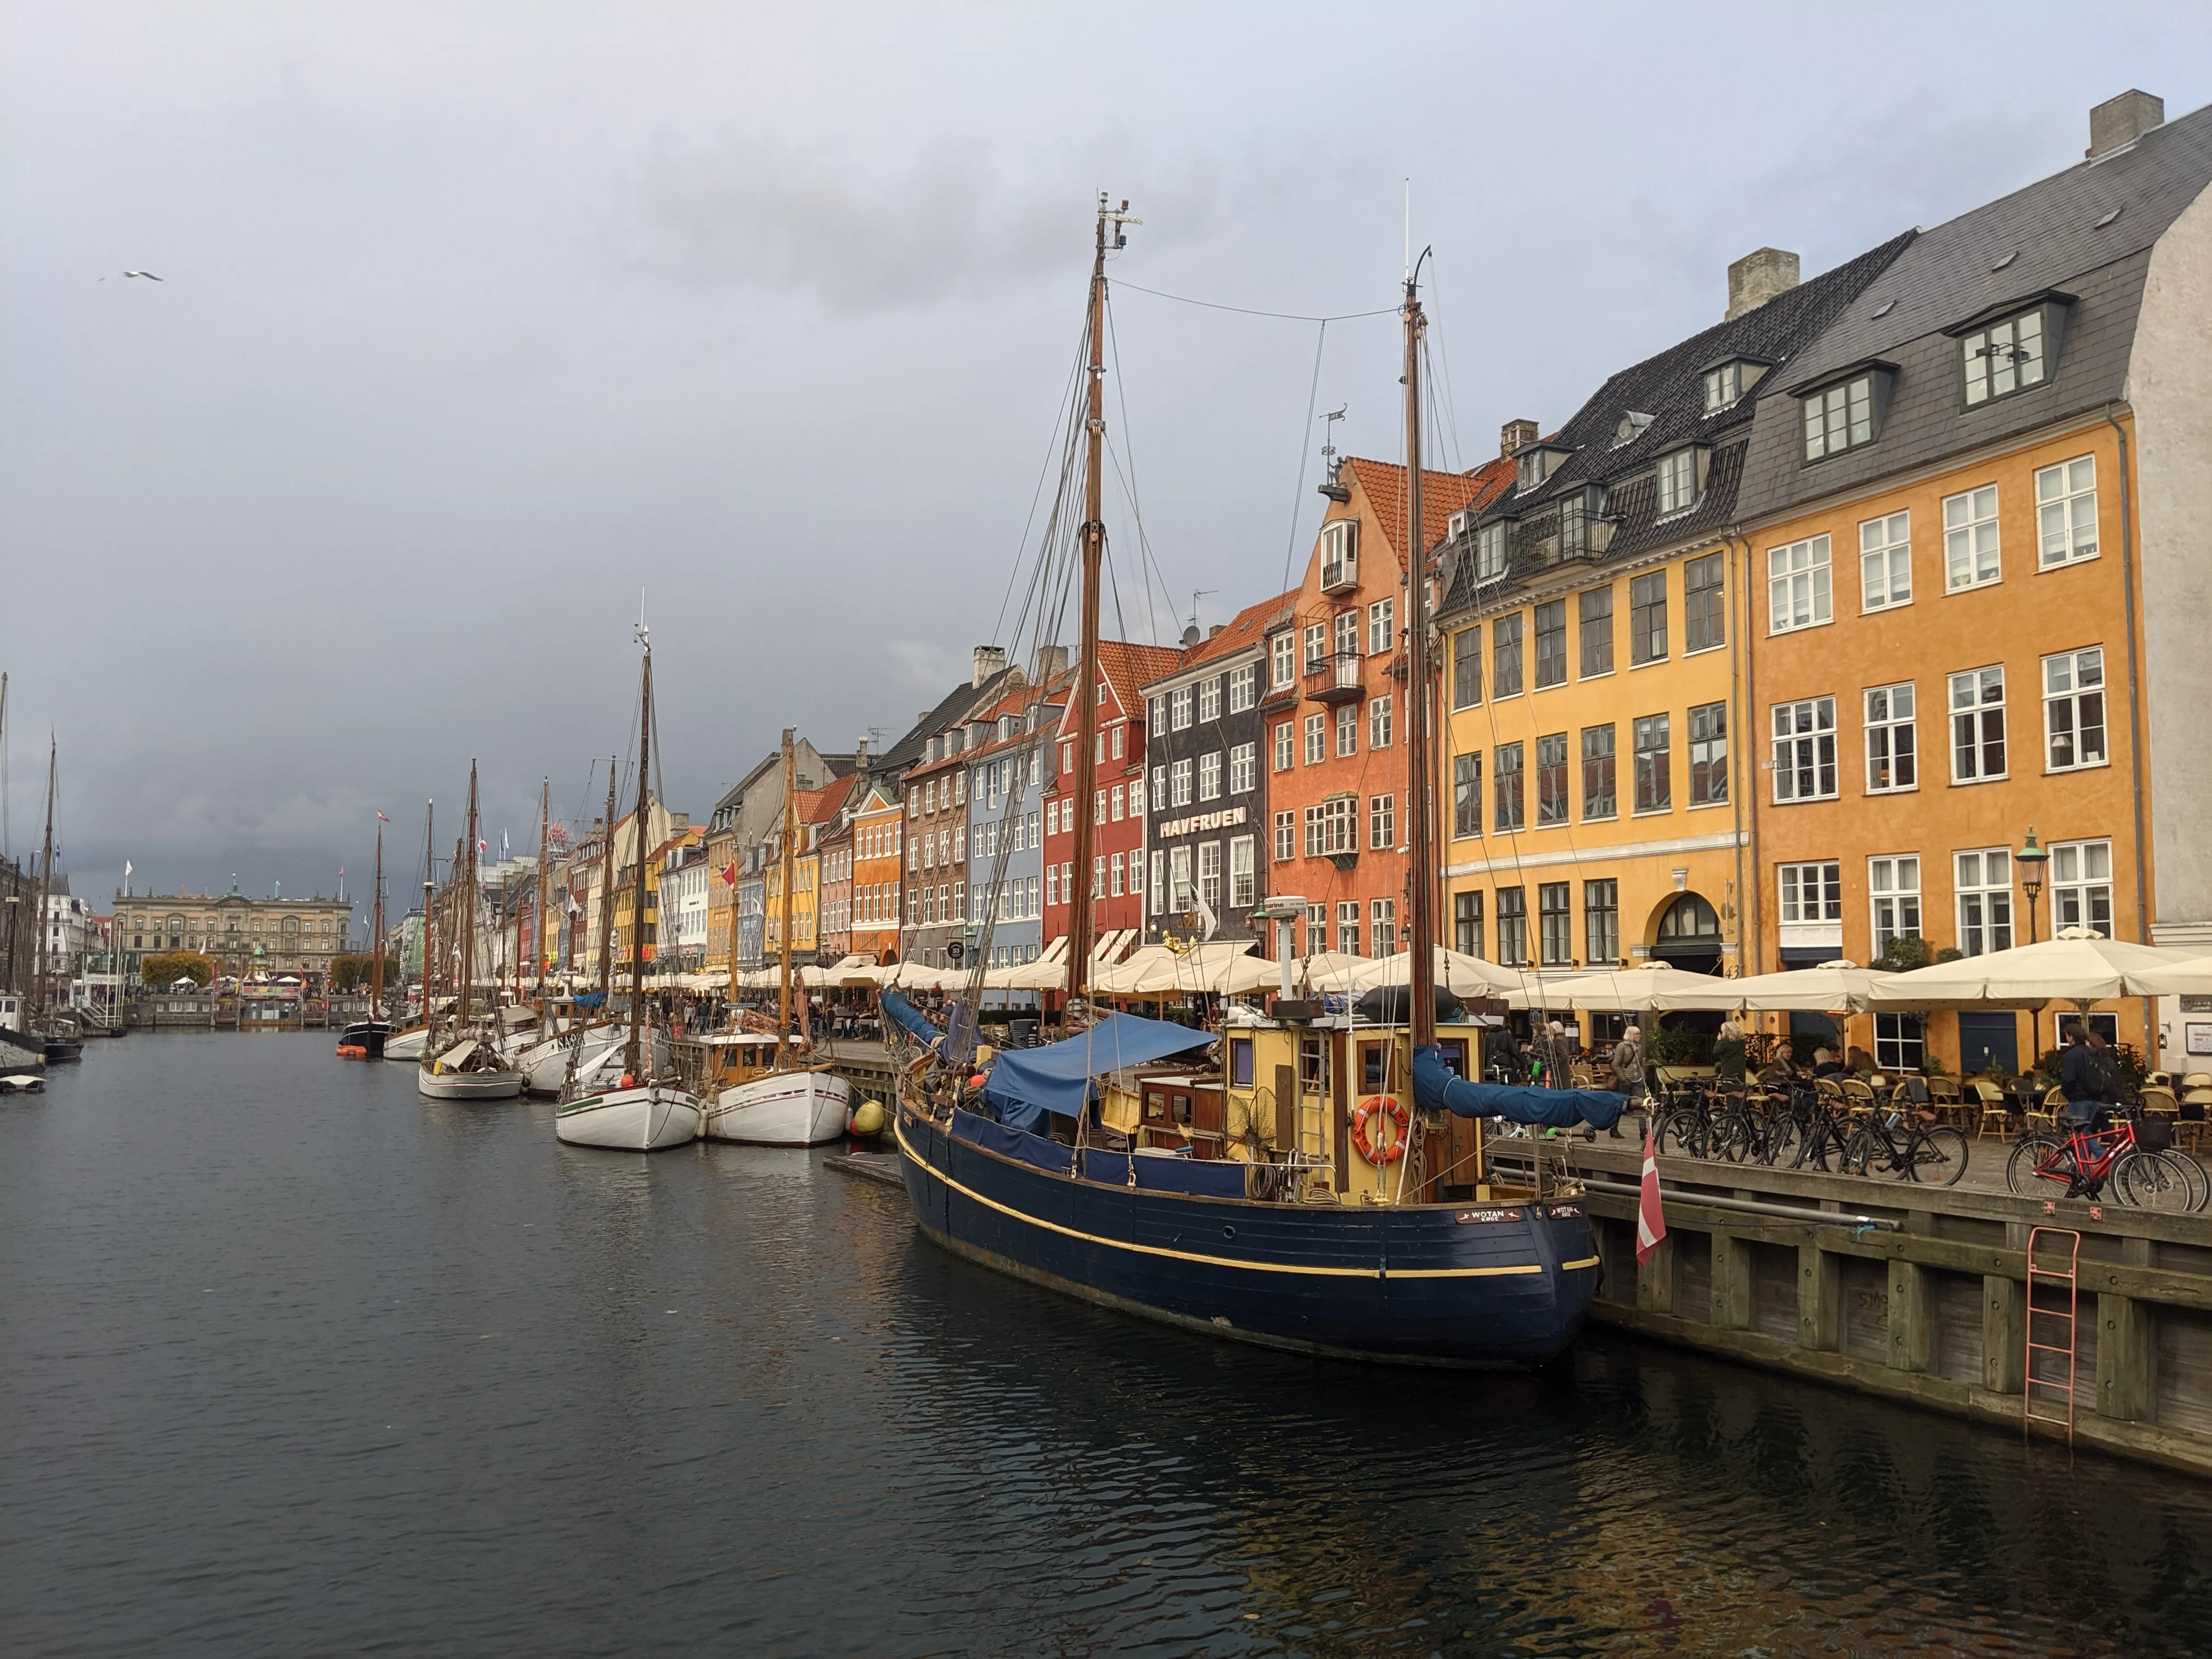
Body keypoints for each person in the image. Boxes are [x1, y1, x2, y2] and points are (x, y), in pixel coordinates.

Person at [1609, 1024, 1645, 1141]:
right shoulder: (1622, 1046)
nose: (1639, 1036)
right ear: (1630, 1035)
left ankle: (1643, 1132)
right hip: (1626, 1079)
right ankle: (1614, 1129)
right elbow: (1615, 1064)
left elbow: (1640, 1064)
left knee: (1642, 1105)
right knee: (1621, 1104)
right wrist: (1623, 1079)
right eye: (1637, 1034)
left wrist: (1643, 1078)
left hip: (1638, 1080)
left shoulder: (1639, 1047)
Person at [1713, 1019, 1748, 1088]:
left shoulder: (1725, 1042)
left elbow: (1715, 1053)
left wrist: (1719, 1041)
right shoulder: (1741, 1042)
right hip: (1740, 1072)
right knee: (1739, 1093)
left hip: (1728, 1072)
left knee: (1730, 1093)